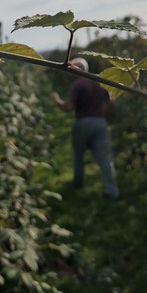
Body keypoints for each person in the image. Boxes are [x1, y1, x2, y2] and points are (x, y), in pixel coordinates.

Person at [50, 57, 120, 200]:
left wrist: (56, 100)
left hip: (83, 123)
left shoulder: (77, 85)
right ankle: (112, 191)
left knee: (78, 155)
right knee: (105, 158)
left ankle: (78, 184)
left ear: (76, 69)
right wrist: (102, 116)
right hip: (100, 123)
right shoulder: (99, 82)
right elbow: (111, 103)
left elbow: (69, 108)